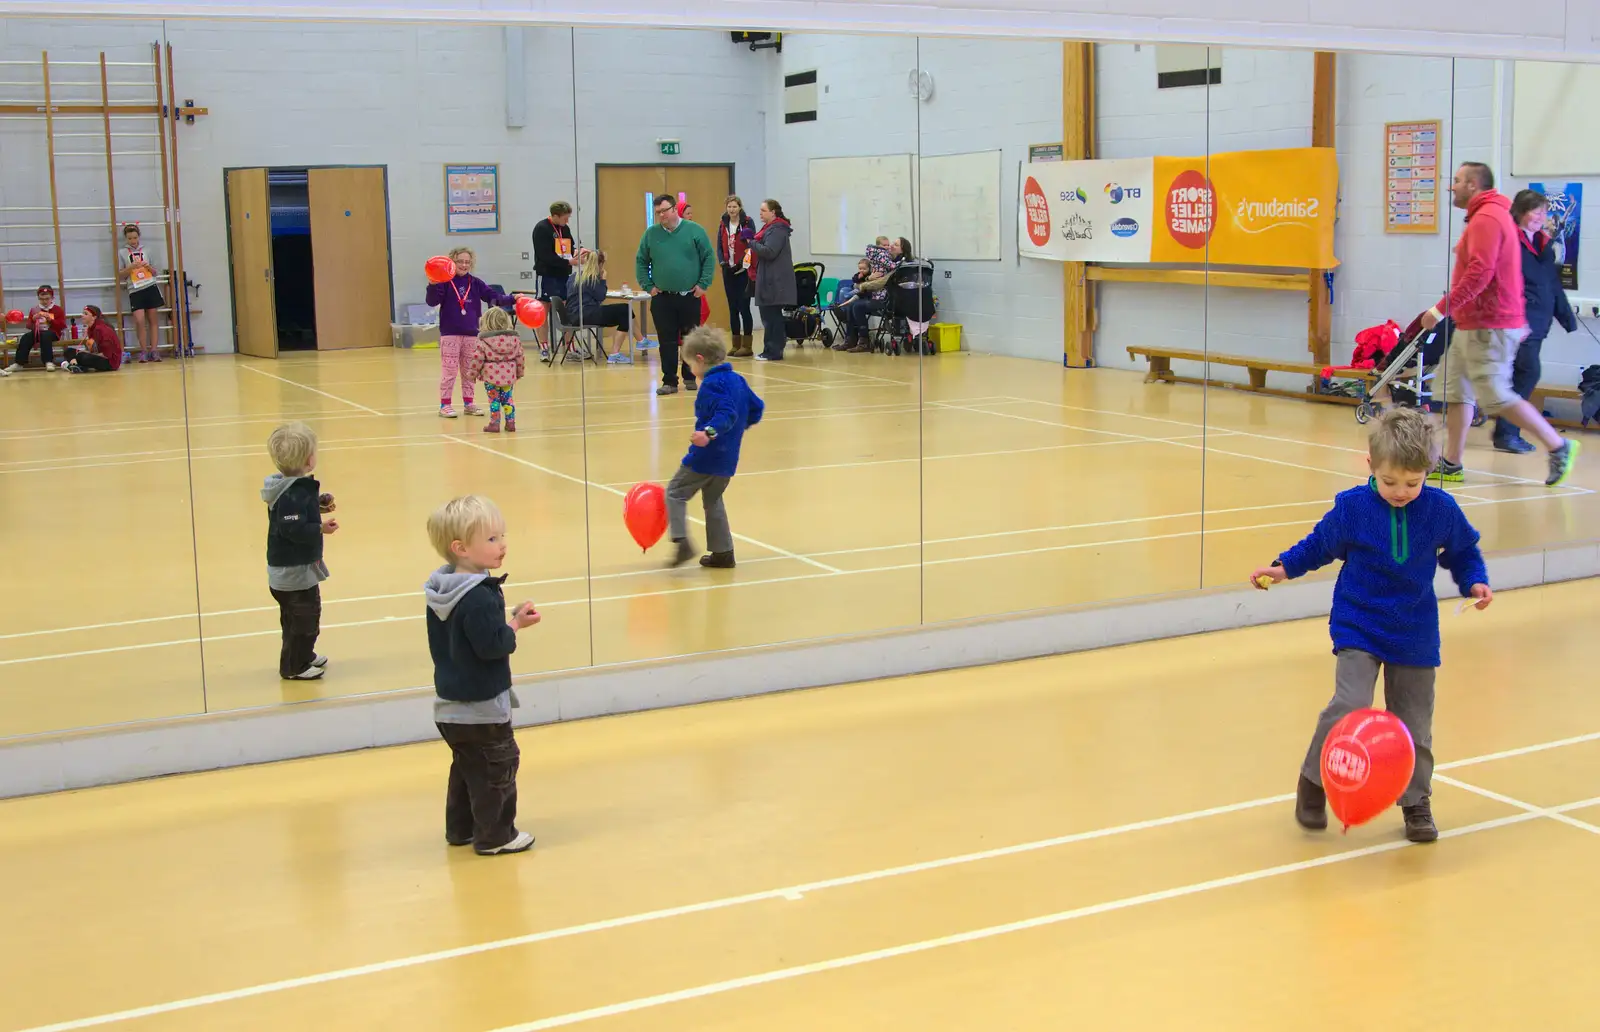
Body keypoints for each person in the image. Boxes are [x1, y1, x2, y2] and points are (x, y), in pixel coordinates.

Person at [1250, 407, 1491, 844]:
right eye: (1390, 481)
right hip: (1359, 621)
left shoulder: (1440, 510)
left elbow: (1464, 550)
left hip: (1414, 628)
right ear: (1370, 467)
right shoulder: (1353, 508)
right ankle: (1314, 780)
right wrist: (1284, 566)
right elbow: (1319, 545)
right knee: (1350, 703)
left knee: (1414, 723)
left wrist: (1475, 580)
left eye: (1413, 483)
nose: (1401, 491)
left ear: (1428, 473)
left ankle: (1416, 801)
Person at [1421, 162, 1579, 487]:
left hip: (1489, 325)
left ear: (1474, 185)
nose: (1452, 186)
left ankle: (1558, 445)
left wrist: (1439, 310)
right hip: (1472, 324)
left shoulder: (1488, 218)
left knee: (1495, 395)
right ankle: (1451, 463)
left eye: (1458, 181)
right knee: (1455, 391)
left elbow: (1481, 273)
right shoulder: (1490, 215)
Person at [424, 494, 540, 856]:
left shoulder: (444, 589)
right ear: (460, 547)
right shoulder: (478, 596)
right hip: (482, 707)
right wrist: (515, 624)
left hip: (451, 706)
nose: (502, 545)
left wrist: (504, 620)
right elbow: (492, 646)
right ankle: (496, 836)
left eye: (502, 536)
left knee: (466, 767)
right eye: (491, 539)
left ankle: (461, 829)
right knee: (496, 771)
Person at [664, 327, 765, 569]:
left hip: (706, 456)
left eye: (689, 364)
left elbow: (726, 413)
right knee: (713, 499)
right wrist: (736, 432)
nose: (691, 370)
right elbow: (756, 408)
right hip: (728, 458)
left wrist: (708, 434)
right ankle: (723, 552)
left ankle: (682, 542)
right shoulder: (738, 379)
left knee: (675, 492)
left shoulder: (711, 384)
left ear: (699, 359)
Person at [1492, 189, 1579, 454]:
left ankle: (1507, 432)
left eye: (1544, 211)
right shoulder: (1509, 243)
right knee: (1527, 373)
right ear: (1520, 211)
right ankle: (1507, 433)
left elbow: (1551, 284)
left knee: (1522, 374)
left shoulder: (1542, 244)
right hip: (1519, 323)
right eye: (1536, 211)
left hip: (1538, 323)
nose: (1542, 217)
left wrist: (1567, 317)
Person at [262, 421, 338, 682]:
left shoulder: (289, 488)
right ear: (309, 459)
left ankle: (303, 654)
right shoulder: (292, 494)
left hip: (294, 570)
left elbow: (295, 513)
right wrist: (320, 527)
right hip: (293, 573)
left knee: (300, 617)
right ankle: (295, 665)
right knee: (304, 619)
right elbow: (291, 528)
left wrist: (318, 505)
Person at [636, 193, 715, 396]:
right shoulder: (651, 234)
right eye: (657, 212)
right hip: (663, 297)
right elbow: (641, 261)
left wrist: (703, 284)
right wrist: (649, 286)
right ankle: (669, 380)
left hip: (689, 296)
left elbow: (708, 257)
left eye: (664, 210)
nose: (661, 215)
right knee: (667, 340)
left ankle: (689, 377)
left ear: (673, 209)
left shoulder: (694, 231)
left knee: (690, 339)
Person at [425, 247, 509, 418]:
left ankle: (469, 403)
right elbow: (432, 301)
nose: (464, 265)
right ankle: (445, 404)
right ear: (452, 262)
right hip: (450, 334)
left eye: (467, 262)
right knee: (449, 372)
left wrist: (515, 299)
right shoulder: (444, 281)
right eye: (460, 261)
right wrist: (432, 284)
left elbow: (494, 297)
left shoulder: (475, 283)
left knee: (469, 371)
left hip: (471, 334)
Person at [565, 249, 643, 363]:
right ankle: (617, 352)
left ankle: (640, 340)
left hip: (573, 315)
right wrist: (603, 279)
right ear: (600, 264)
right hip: (586, 314)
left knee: (624, 310)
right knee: (625, 310)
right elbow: (601, 296)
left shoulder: (573, 277)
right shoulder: (591, 278)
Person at [748, 199, 797, 363]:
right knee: (768, 316)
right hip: (768, 278)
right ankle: (769, 349)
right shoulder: (769, 229)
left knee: (772, 317)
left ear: (773, 212)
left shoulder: (778, 230)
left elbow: (769, 251)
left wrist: (751, 243)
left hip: (775, 281)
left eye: (763, 210)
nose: (760, 213)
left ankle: (774, 351)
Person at [842, 237, 910, 353]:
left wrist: (861, 286)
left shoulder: (899, 265)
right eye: (890, 244)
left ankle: (864, 341)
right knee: (851, 305)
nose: (891, 246)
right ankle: (851, 340)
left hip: (888, 300)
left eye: (895, 244)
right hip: (878, 294)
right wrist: (867, 278)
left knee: (857, 306)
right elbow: (867, 274)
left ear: (903, 250)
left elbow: (882, 281)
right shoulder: (887, 259)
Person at [531, 201, 582, 352]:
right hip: (547, 275)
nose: (567, 221)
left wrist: (579, 253)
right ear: (555, 216)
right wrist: (568, 261)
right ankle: (544, 346)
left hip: (564, 275)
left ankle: (569, 346)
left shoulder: (565, 228)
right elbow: (545, 255)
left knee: (566, 309)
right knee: (543, 310)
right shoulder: (541, 229)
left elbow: (571, 247)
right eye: (565, 218)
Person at [465, 306, 525, 434]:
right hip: (508, 376)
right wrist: (519, 372)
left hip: (490, 376)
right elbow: (520, 357)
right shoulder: (514, 339)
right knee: (508, 399)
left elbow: (477, 358)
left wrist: (472, 374)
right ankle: (510, 422)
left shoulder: (483, 340)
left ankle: (494, 423)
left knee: (494, 400)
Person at [118, 223, 165, 363]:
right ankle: (143, 350)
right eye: (130, 238)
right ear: (126, 238)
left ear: (139, 237)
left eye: (135, 237)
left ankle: (154, 350)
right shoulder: (122, 253)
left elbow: (156, 272)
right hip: (134, 288)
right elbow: (120, 274)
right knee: (139, 321)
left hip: (149, 286)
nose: (133, 241)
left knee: (153, 320)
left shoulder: (147, 250)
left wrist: (147, 266)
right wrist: (130, 268)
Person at [717, 196, 757, 358]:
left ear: (739, 207)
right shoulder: (723, 223)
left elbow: (751, 245)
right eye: (729, 207)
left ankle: (747, 346)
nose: (732, 210)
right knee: (732, 308)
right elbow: (719, 245)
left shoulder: (747, 222)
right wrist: (722, 262)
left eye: (734, 206)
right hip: (728, 270)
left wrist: (741, 264)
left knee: (744, 307)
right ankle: (735, 344)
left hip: (743, 271)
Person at [8, 285, 65, 371]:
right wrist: (33, 320)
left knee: (45, 336)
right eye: (42, 299)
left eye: (47, 299)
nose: (44, 301)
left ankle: (48, 361)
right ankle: (19, 363)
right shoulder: (35, 310)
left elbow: (62, 326)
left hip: (53, 333)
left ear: (52, 298)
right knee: (26, 337)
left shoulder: (57, 309)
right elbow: (29, 326)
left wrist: (51, 320)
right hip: (37, 332)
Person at [64, 305, 124, 373]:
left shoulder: (101, 329)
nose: (82, 315)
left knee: (83, 357)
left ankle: (76, 365)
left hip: (110, 362)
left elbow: (106, 355)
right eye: (83, 313)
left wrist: (83, 354)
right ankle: (76, 365)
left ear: (94, 317)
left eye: (85, 314)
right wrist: (84, 352)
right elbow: (94, 350)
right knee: (68, 351)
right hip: (99, 355)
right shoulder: (90, 329)